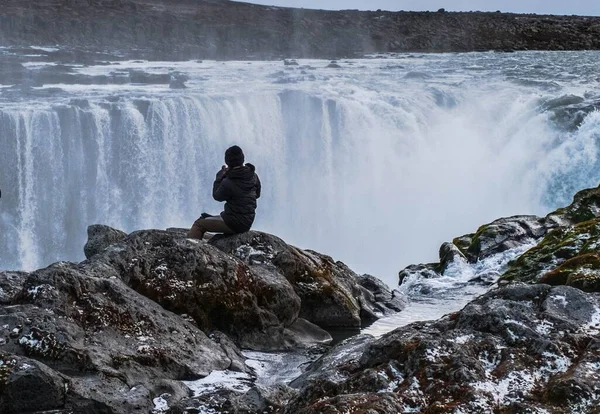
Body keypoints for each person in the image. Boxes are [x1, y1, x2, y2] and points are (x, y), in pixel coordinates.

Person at [189, 145, 261, 240]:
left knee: (199, 224)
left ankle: (193, 251)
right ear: (242, 159)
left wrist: (219, 179)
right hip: (247, 221)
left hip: (234, 223)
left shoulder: (229, 181)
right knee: (207, 217)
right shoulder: (253, 175)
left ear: (227, 162)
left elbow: (217, 196)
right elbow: (257, 195)